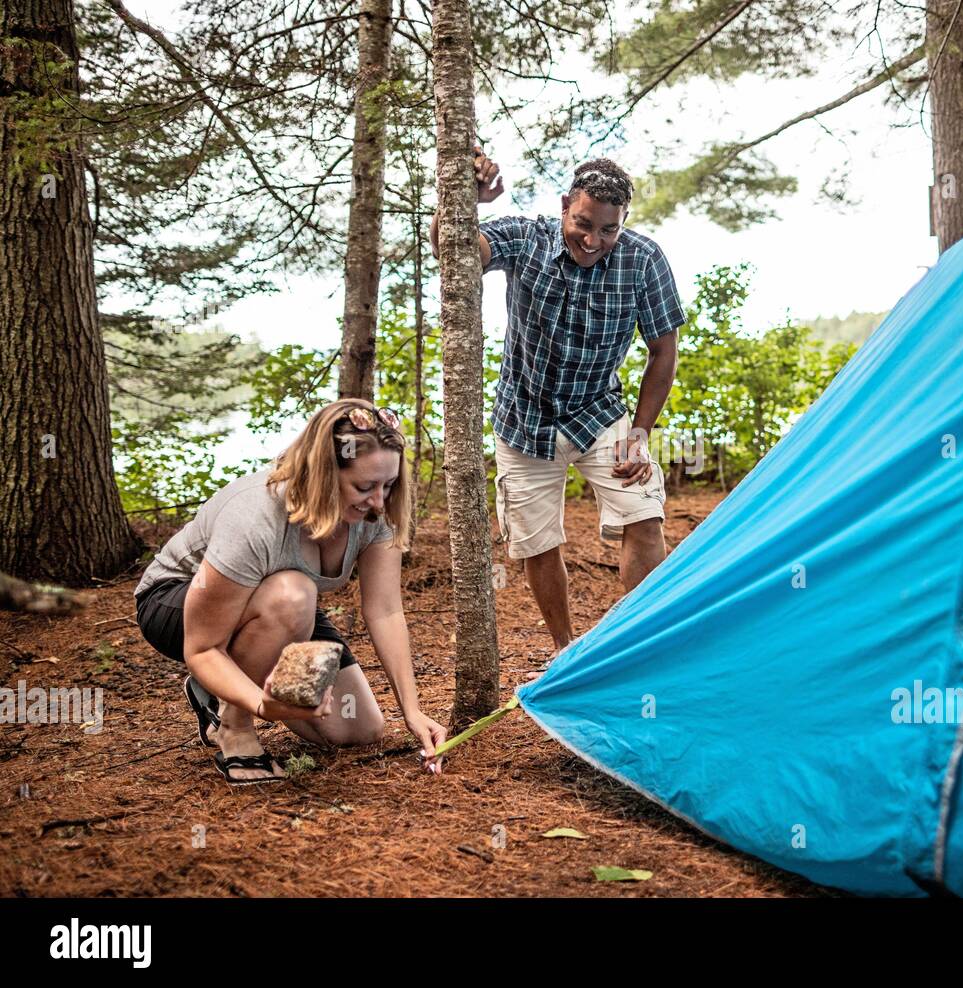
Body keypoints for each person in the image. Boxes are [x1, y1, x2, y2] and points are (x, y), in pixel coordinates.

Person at [430, 152, 686, 651]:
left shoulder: (645, 259)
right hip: (524, 421)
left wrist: (640, 432)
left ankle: (642, 645)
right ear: (566, 205)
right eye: (583, 224)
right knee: (538, 542)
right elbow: (452, 251)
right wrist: (464, 206)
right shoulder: (528, 236)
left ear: (624, 222)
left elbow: (663, 351)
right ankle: (566, 651)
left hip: (600, 415)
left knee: (642, 512)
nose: (593, 242)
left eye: (608, 230)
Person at [134, 399, 448, 784]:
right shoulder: (256, 516)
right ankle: (233, 727)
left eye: (389, 485)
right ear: (323, 473)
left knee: (357, 730)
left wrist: (412, 710)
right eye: (365, 486)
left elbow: (384, 611)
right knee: (295, 591)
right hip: (178, 604)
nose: (379, 502)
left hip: (282, 606)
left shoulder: (374, 513)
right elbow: (202, 647)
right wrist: (260, 705)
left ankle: (214, 688)